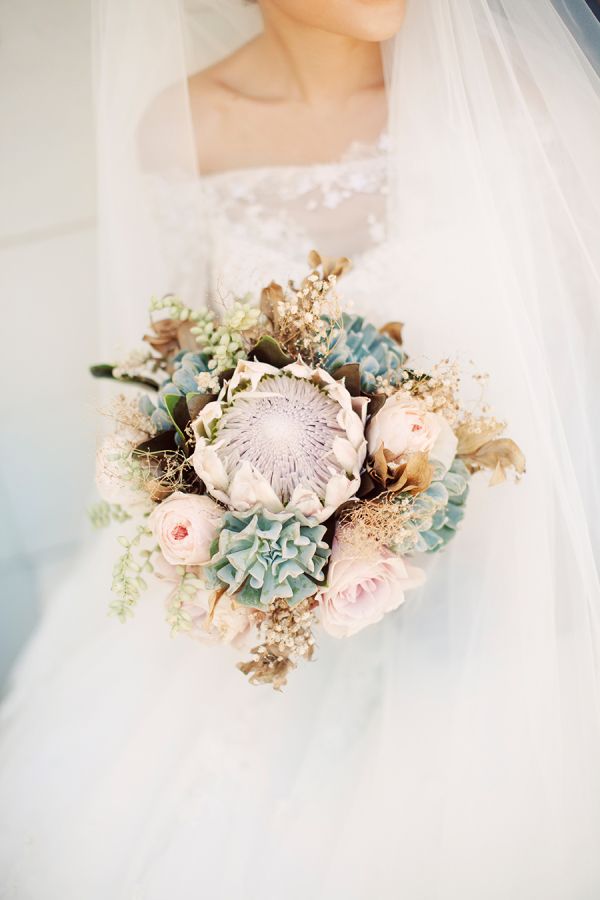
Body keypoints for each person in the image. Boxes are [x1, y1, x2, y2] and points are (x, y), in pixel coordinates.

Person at [1, 1, 600, 897]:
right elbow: (172, 385)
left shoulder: (528, 100)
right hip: (285, 608)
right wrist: (242, 540)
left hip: (527, 588)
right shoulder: (188, 125)